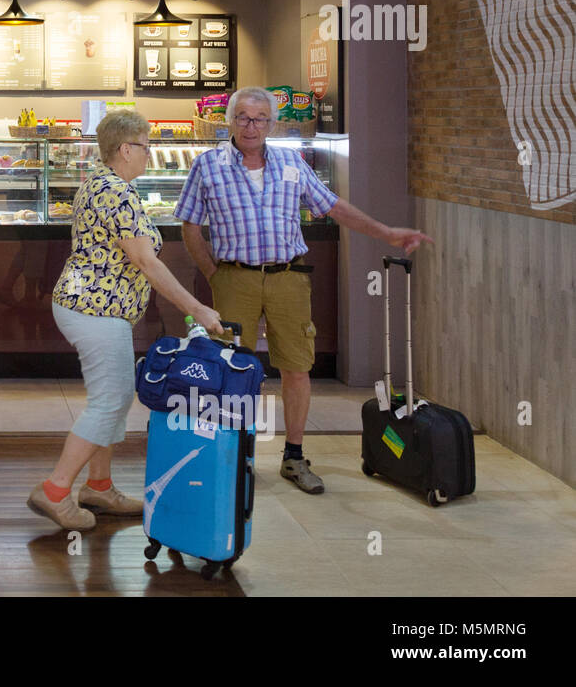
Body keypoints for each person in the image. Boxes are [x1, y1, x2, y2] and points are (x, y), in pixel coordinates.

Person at [175, 86, 433, 495]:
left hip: (289, 279)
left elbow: (334, 207)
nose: (251, 126)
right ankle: (231, 456)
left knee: (296, 367)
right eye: (242, 117)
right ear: (229, 121)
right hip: (233, 277)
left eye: (260, 118)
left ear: (273, 124)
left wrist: (386, 232)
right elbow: (189, 224)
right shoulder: (207, 165)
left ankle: (294, 456)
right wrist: (214, 273)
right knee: (229, 370)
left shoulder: (292, 164)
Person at [30, 110, 224, 531]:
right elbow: (145, 261)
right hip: (95, 311)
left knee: (111, 397)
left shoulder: (102, 184)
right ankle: (56, 490)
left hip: (93, 307)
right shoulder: (115, 192)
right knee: (111, 399)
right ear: (125, 149)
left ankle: (98, 486)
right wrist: (198, 308)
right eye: (146, 147)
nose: (150, 154)